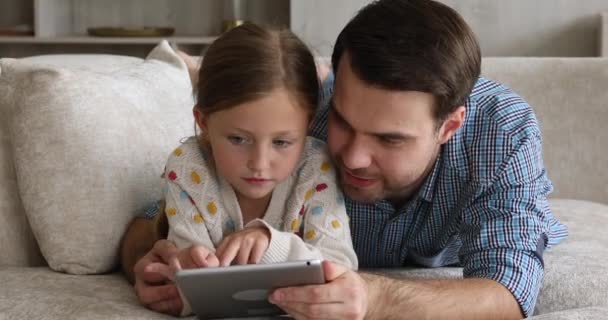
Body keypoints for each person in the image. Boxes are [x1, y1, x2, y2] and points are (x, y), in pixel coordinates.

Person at [121, 0, 568, 319]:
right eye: (344, 120)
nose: (351, 156)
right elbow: (159, 210)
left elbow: (508, 292)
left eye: (390, 139)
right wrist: (150, 263)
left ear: (449, 127)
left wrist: (374, 298)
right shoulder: (300, 121)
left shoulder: (500, 129)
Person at [133, 22, 358, 316]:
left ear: (307, 126)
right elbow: (190, 285)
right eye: (238, 139)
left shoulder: (316, 166)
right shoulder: (188, 167)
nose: (260, 163)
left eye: (282, 141)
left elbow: (340, 268)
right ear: (203, 121)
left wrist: (271, 244)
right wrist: (183, 275)